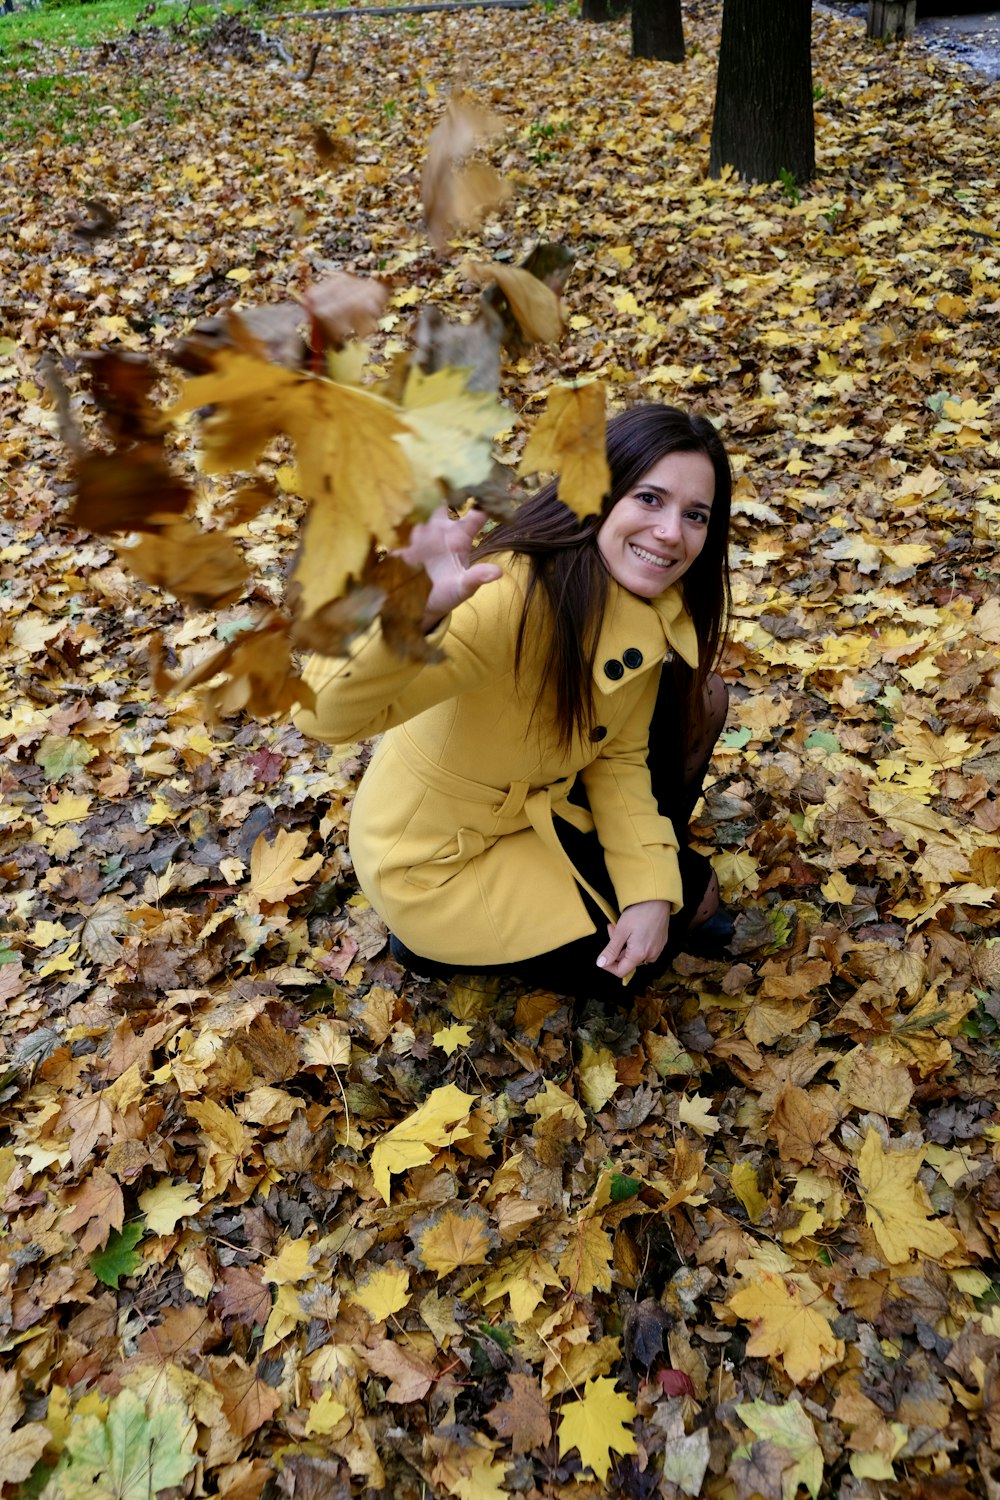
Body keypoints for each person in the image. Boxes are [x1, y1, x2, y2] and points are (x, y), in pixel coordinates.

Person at [292, 403, 733, 1004]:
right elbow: (322, 716)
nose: (671, 532)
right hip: (436, 862)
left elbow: (619, 760)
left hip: (535, 806)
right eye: (649, 499)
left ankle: (651, 867)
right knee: (632, 969)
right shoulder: (505, 600)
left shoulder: (643, 610)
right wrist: (409, 613)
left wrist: (649, 888)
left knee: (699, 706)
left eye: (696, 515)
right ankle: (424, 945)